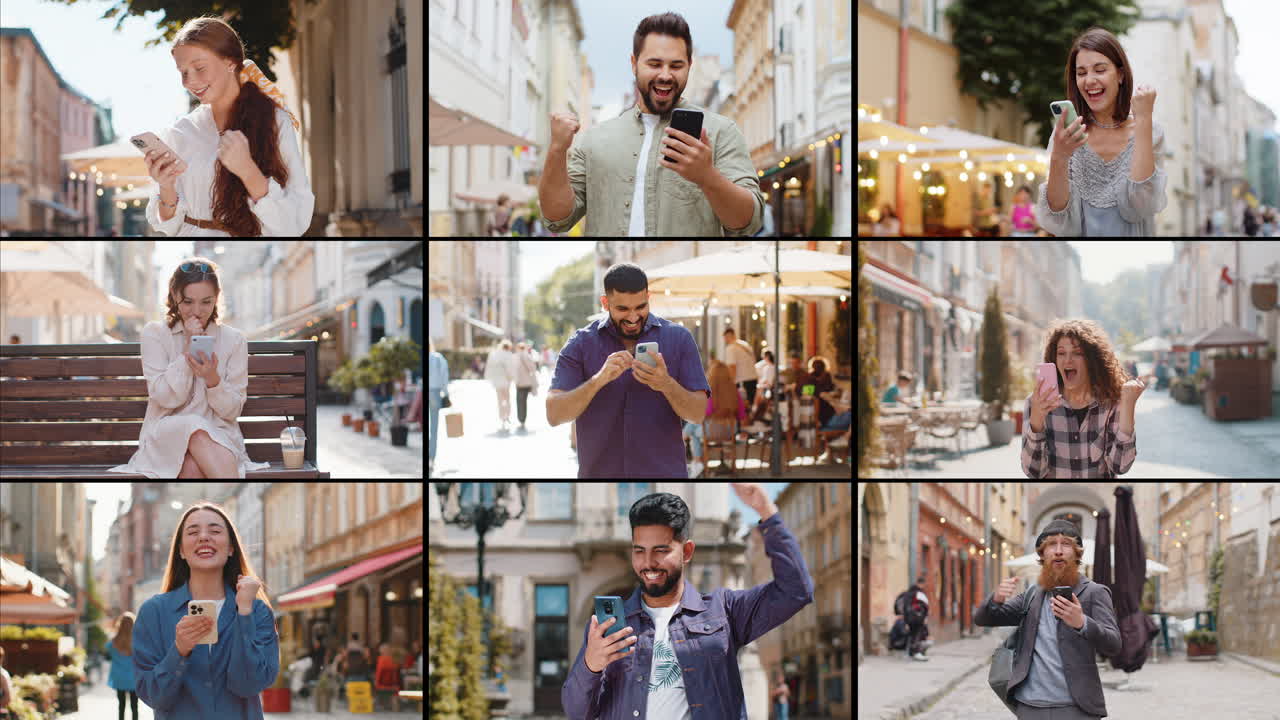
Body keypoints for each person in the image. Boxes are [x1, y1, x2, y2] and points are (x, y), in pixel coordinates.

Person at [561, 487, 813, 720]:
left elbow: (795, 591)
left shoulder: (724, 611)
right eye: (639, 551)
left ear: (687, 552)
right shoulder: (610, 626)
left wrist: (766, 511)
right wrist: (590, 666)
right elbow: (577, 712)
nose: (648, 563)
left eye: (661, 550)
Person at [538, 13, 764, 236]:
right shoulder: (594, 140)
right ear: (634, 64)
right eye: (654, 64)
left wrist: (707, 177)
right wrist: (557, 149)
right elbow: (557, 219)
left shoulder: (722, 132)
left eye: (676, 66)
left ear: (689, 65)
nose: (665, 75)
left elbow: (749, 223)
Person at [146, 17, 313, 236]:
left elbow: (294, 224)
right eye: (183, 72)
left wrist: (248, 170)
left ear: (230, 62)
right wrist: (166, 186)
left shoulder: (275, 122)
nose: (189, 81)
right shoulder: (180, 132)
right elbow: (170, 226)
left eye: (199, 68)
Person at [109, 258, 269, 479]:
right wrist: (186, 351)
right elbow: (165, 398)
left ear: (216, 298)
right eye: (187, 302)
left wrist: (212, 379)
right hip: (165, 435)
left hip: (219, 436)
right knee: (193, 426)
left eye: (206, 302)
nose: (197, 311)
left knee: (193, 467)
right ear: (175, 296)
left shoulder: (234, 340)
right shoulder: (155, 334)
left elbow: (232, 411)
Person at [547, 263, 710, 477]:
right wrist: (598, 380)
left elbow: (698, 414)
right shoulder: (580, 344)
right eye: (622, 309)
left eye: (640, 307)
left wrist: (666, 384)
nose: (633, 318)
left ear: (648, 297)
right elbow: (554, 415)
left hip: (665, 476)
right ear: (605, 303)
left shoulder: (679, 339)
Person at [132, 503, 279, 719]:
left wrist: (244, 614)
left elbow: (248, 685)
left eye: (215, 531)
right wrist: (179, 651)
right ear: (181, 551)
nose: (203, 537)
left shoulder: (257, 611)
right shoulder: (153, 612)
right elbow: (153, 696)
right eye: (193, 532)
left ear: (231, 548)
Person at [974, 520, 1121, 719]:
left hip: (1077, 708)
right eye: (1051, 544)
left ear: (1077, 554)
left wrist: (1082, 623)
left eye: (1066, 544)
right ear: (1042, 554)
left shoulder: (1095, 592)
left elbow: (1114, 645)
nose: (1058, 551)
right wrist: (996, 598)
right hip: (1030, 707)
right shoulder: (1032, 595)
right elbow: (984, 618)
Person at [1036, 27, 1166, 236]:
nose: (1089, 80)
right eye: (1081, 73)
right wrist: (1059, 156)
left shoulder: (1151, 130)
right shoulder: (1067, 135)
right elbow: (1058, 219)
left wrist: (1143, 119)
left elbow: (1141, 205)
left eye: (1100, 70)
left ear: (1120, 74)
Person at [1022, 318, 1145, 478]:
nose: (1068, 360)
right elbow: (1034, 472)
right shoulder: (1036, 403)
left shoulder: (1111, 403)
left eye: (1077, 353)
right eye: (1061, 353)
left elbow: (1120, 466)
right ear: (1054, 358)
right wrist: (1036, 421)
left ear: (1092, 360)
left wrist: (1128, 404)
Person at [107, 613, 139, 720]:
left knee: (121, 706)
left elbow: (108, 654)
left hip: (119, 678)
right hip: (134, 678)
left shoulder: (113, 642)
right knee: (135, 707)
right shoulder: (138, 641)